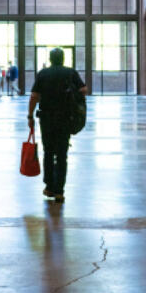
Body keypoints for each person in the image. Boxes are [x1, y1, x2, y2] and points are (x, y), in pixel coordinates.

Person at [27, 47, 87, 203]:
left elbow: (34, 96)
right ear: (63, 58)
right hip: (65, 117)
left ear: (51, 58)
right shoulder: (70, 72)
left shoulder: (43, 73)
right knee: (62, 154)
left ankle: (49, 187)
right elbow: (84, 90)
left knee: (48, 151)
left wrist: (30, 115)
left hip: (46, 118)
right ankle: (60, 191)